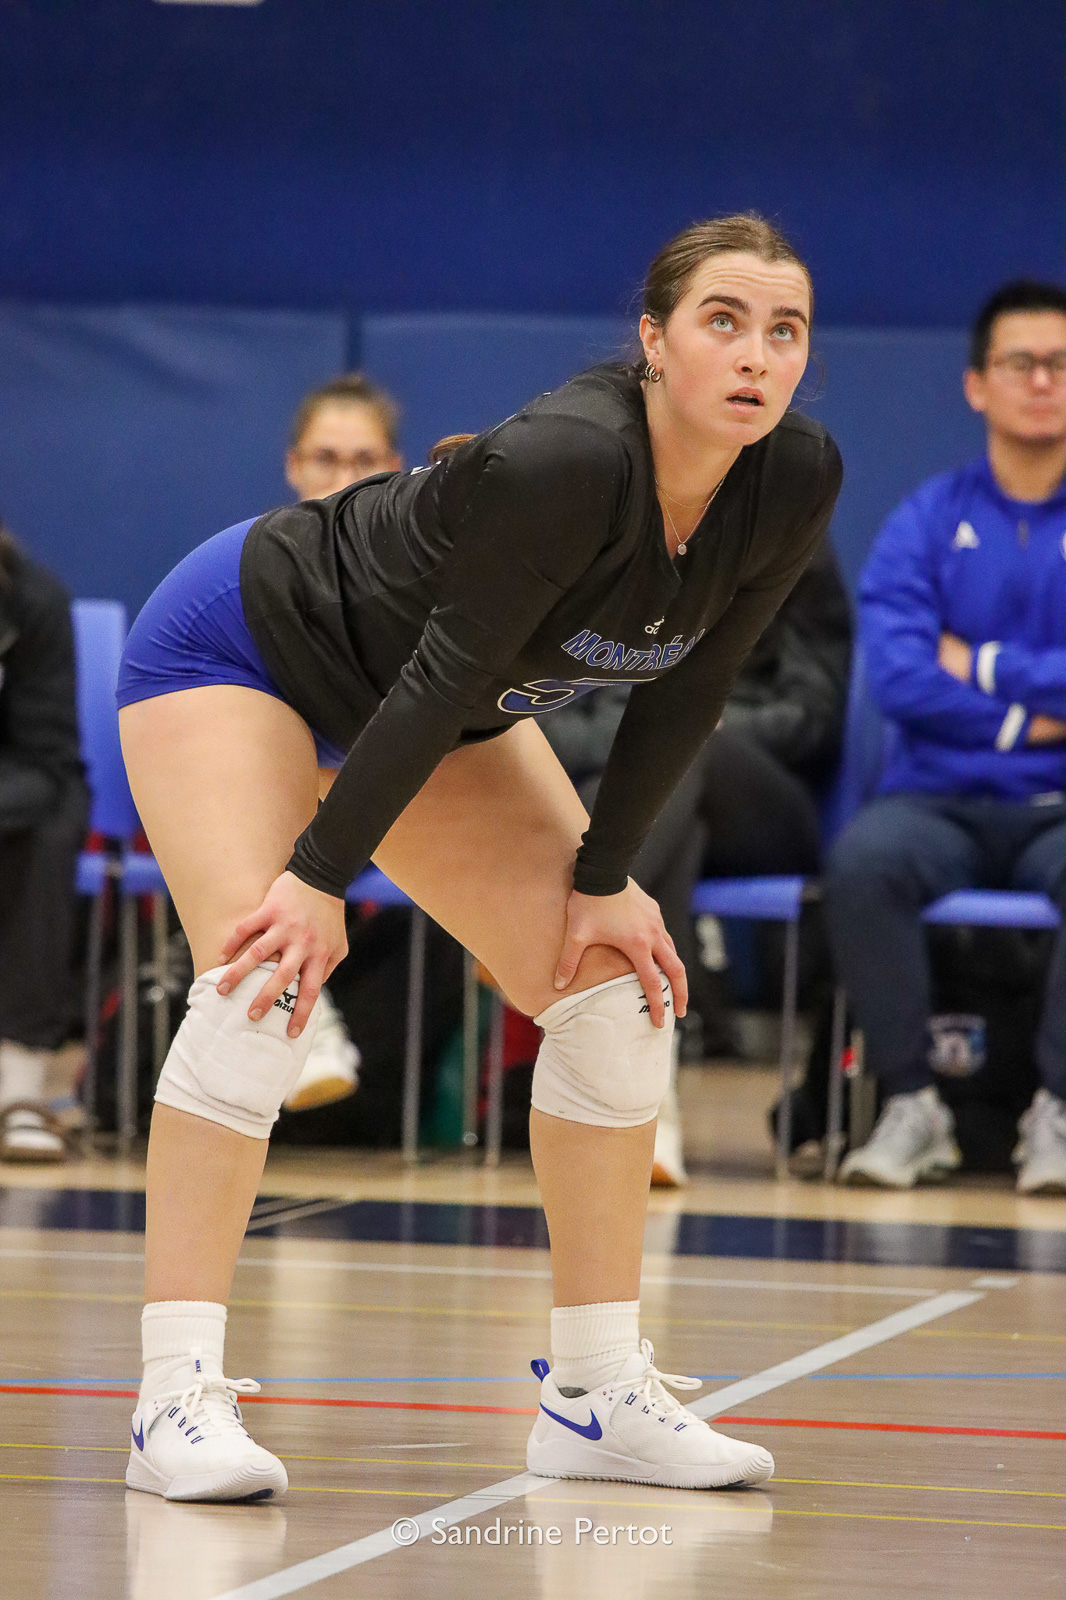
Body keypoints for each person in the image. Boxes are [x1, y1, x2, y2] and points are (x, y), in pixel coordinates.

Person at [116, 212, 840, 1502]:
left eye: (782, 330)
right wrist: (318, 877)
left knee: (615, 993)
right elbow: (440, 669)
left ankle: (592, 1396)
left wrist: (608, 877)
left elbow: (698, 680)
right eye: (721, 321)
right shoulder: (570, 456)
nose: (754, 355)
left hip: (434, 712)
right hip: (244, 646)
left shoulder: (792, 479)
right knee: (261, 982)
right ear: (652, 345)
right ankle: (172, 1397)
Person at [828, 281, 1066, 1193]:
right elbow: (900, 677)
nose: (1041, 381)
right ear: (978, 385)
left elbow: (947, 673)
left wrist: (989, 669)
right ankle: (912, 1104)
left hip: (1057, 804)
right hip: (939, 799)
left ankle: (1056, 1111)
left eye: (1058, 363)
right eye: (1020, 362)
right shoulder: (927, 520)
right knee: (863, 865)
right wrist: (1029, 713)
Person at [542, 538, 851, 1184]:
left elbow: (812, 718)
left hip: (765, 802)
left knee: (683, 753)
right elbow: (573, 712)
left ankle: (556, 924)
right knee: (664, 813)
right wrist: (656, 730)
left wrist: (694, 723)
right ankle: (654, 1089)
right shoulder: (623, 532)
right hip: (656, 798)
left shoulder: (796, 539)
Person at [278, 372, 402, 1111]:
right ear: (295, 465)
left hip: (411, 806)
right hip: (292, 806)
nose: (343, 477)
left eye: (362, 461)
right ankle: (305, 1017)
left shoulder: (426, 575)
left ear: (392, 466)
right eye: (326, 458)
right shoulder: (259, 571)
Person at [0, 520, 89, 1161]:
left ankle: (19, 1089)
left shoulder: (33, 601)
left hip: (25, 776)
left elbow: (46, 755)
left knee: (50, 828)